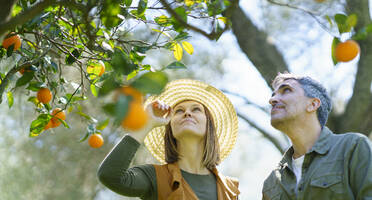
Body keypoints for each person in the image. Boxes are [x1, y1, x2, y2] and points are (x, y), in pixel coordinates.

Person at [98, 79, 240, 200]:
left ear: (209, 126)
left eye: (196, 109)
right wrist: (147, 124)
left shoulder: (230, 188)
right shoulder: (155, 177)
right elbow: (109, 176)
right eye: (179, 111)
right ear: (170, 127)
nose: (187, 113)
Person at [262, 72, 372, 200]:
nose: (272, 100)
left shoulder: (353, 147)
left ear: (313, 104)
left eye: (286, 90)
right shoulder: (271, 183)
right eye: (273, 95)